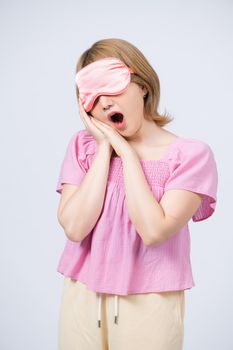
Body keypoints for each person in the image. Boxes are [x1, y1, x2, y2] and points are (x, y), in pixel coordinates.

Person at [55, 38, 218, 350]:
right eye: (92, 95)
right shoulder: (84, 148)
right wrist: (106, 147)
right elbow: (75, 228)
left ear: (141, 84)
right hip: (82, 291)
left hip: (150, 298)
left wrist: (128, 155)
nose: (104, 103)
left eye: (112, 86)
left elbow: (154, 230)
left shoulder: (190, 156)